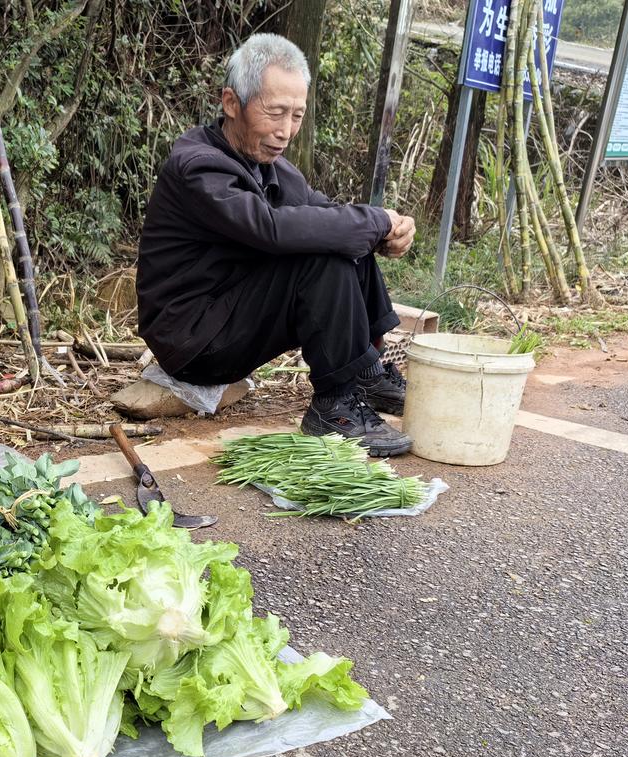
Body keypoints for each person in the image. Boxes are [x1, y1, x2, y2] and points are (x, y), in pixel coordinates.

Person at [136, 33, 418, 456]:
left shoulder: (275, 169)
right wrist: (372, 220)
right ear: (231, 103)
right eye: (275, 113)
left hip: (232, 315)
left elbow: (326, 215)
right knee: (319, 255)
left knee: (339, 236)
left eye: (297, 116)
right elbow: (268, 228)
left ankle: (368, 373)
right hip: (194, 339)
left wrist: (385, 233)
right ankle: (334, 406)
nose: (286, 131)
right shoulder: (197, 167)